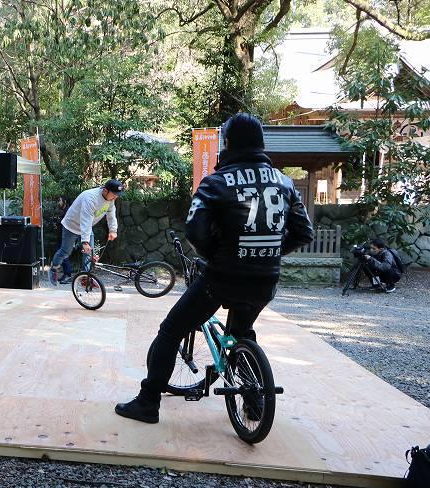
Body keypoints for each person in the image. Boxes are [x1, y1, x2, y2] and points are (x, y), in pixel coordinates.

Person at [115, 113, 314, 424]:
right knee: (243, 333)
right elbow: (304, 233)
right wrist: (270, 253)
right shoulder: (285, 182)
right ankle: (254, 403)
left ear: (228, 143)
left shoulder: (217, 182)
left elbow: (195, 231)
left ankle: (148, 402)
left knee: (171, 331)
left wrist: (215, 256)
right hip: (266, 279)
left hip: (222, 277)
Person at [48, 179, 124, 284]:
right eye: (114, 194)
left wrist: (113, 230)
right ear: (105, 190)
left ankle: (86, 278)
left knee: (89, 253)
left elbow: (111, 215)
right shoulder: (91, 198)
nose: (116, 197)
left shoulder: (110, 200)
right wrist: (85, 242)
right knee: (66, 251)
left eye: (117, 194)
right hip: (72, 225)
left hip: (86, 227)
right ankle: (54, 268)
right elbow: (85, 220)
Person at [54, 196, 74, 283]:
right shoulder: (64, 210)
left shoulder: (68, 211)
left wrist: (58, 221)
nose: (58, 203)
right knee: (62, 255)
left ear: (64, 201)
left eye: (59, 200)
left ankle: (68, 275)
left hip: (65, 236)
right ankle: (66, 274)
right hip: (61, 236)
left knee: (64, 255)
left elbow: (67, 223)